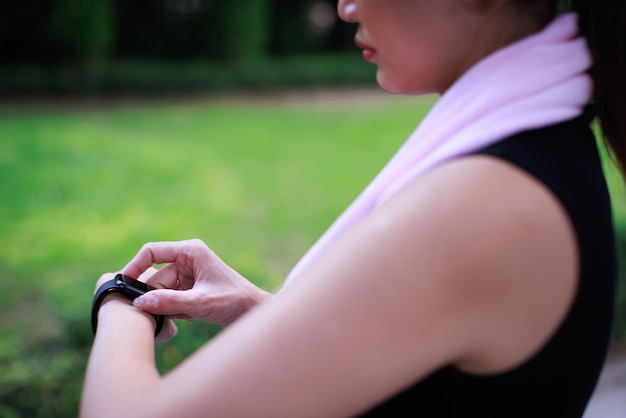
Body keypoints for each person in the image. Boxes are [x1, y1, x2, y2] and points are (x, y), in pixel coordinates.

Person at [80, 0, 625, 416]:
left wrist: (122, 301)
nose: (345, 7)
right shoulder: (541, 145)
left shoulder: (485, 204)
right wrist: (256, 309)